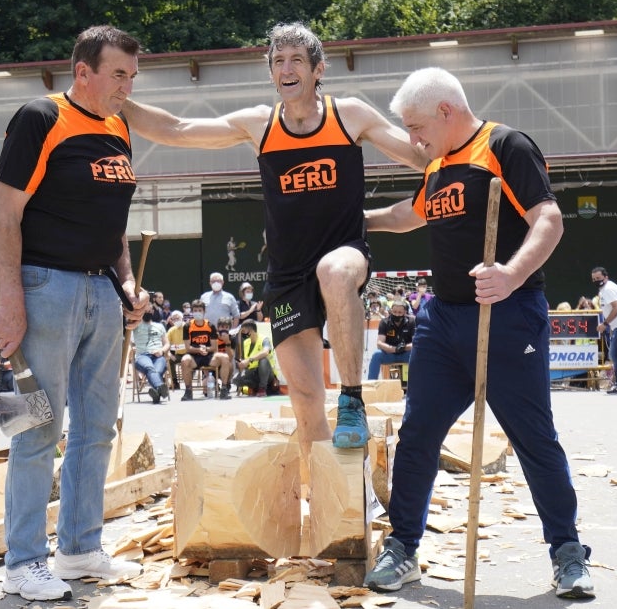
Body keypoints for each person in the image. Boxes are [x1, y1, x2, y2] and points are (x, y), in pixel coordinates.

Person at [121, 22, 427, 450]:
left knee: (335, 271)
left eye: (297, 60)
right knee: (304, 400)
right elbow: (178, 130)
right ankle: (323, 500)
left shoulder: (349, 115)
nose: (287, 68)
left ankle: (353, 399)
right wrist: (119, 102)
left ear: (318, 69)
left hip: (344, 254)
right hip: (288, 273)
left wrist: (468, 153)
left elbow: (417, 155)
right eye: (278, 61)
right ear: (270, 73)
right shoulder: (261, 125)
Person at [362, 67, 594, 599]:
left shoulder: (506, 146)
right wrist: (361, 220)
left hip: (509, 316)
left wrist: (510, 275)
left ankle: (567, 552)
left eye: (417, 126)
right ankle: (403, 548)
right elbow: (410, 214)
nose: (413, 140)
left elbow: (549, 219)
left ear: (446, 110)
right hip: (443, 322)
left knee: (534, 438)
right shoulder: (439, 164)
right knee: (418, 435)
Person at [0, 25, 149, 602]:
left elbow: (115, 225)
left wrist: (128, 283)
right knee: (38, 428)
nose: (127, 87)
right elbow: (3, 215)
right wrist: (11, 300)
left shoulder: (119, 127)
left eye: (132, 76)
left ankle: (80, 547)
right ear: (83, 71)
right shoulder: (40, 117)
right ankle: (24, 562)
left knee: (97, 427)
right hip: (44, 288)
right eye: (118, 75)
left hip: (103, 292)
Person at [179, 300, 231, 400]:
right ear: (192, 312)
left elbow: (214, 348)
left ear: (204, 311)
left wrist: (205, 349)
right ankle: (188, 391)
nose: (197, 312)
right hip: (194, 356)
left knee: (224, 357)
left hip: (209, 356)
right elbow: (188, 348)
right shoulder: (187, 326)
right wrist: (198, 350)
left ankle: (224, 389)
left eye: (200, 310)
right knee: (184, 360)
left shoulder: (210, 326)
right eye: (195, 310)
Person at [366, 298, 415, 381]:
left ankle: (417, 385)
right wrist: (393, 349)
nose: (397, 314)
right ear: (391, 311)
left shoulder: (411, 321)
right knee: (376, 355)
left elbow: (415, 343)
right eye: (395, 312)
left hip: (406, 353)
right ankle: (371, 384)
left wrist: (404, 347)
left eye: (400, 312)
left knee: (418, 354)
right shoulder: (384, 322)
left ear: (405, 312)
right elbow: (379, 343)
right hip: (390, 354)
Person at [132, 311, 170, 403]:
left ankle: (156, 393)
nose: (146, 311)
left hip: (158, 356)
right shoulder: (135, 325)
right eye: (144, 309)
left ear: (152, 312)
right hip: (142, 356)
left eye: (149, 309)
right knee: (150, 368)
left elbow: (167, 344)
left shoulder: (160, 326)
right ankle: (160, 387)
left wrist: (161, 350)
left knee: (156, 371)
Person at [233, 319, 276, 396]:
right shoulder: (246, 342)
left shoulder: (264, 339)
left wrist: (249, 360)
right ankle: (256, 387)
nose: (242, 333)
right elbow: (244, 360)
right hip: (253, 372)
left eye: (243, 331)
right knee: (236, 380)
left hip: (267, 372)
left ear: (251, 331)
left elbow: (266, 352)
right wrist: (242, 363)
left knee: (263, 360)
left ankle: (262, 388)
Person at [165, 310, 187, 389]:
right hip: (178, 354)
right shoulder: (171, 330)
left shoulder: (188, 327)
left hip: (189, 353)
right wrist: (170, 354)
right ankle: (174, 382)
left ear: (182, 318)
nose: (176, 320)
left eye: (178, 318)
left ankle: (188, 380)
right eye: (174, 319)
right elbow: (165, 343)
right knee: (169, 361)